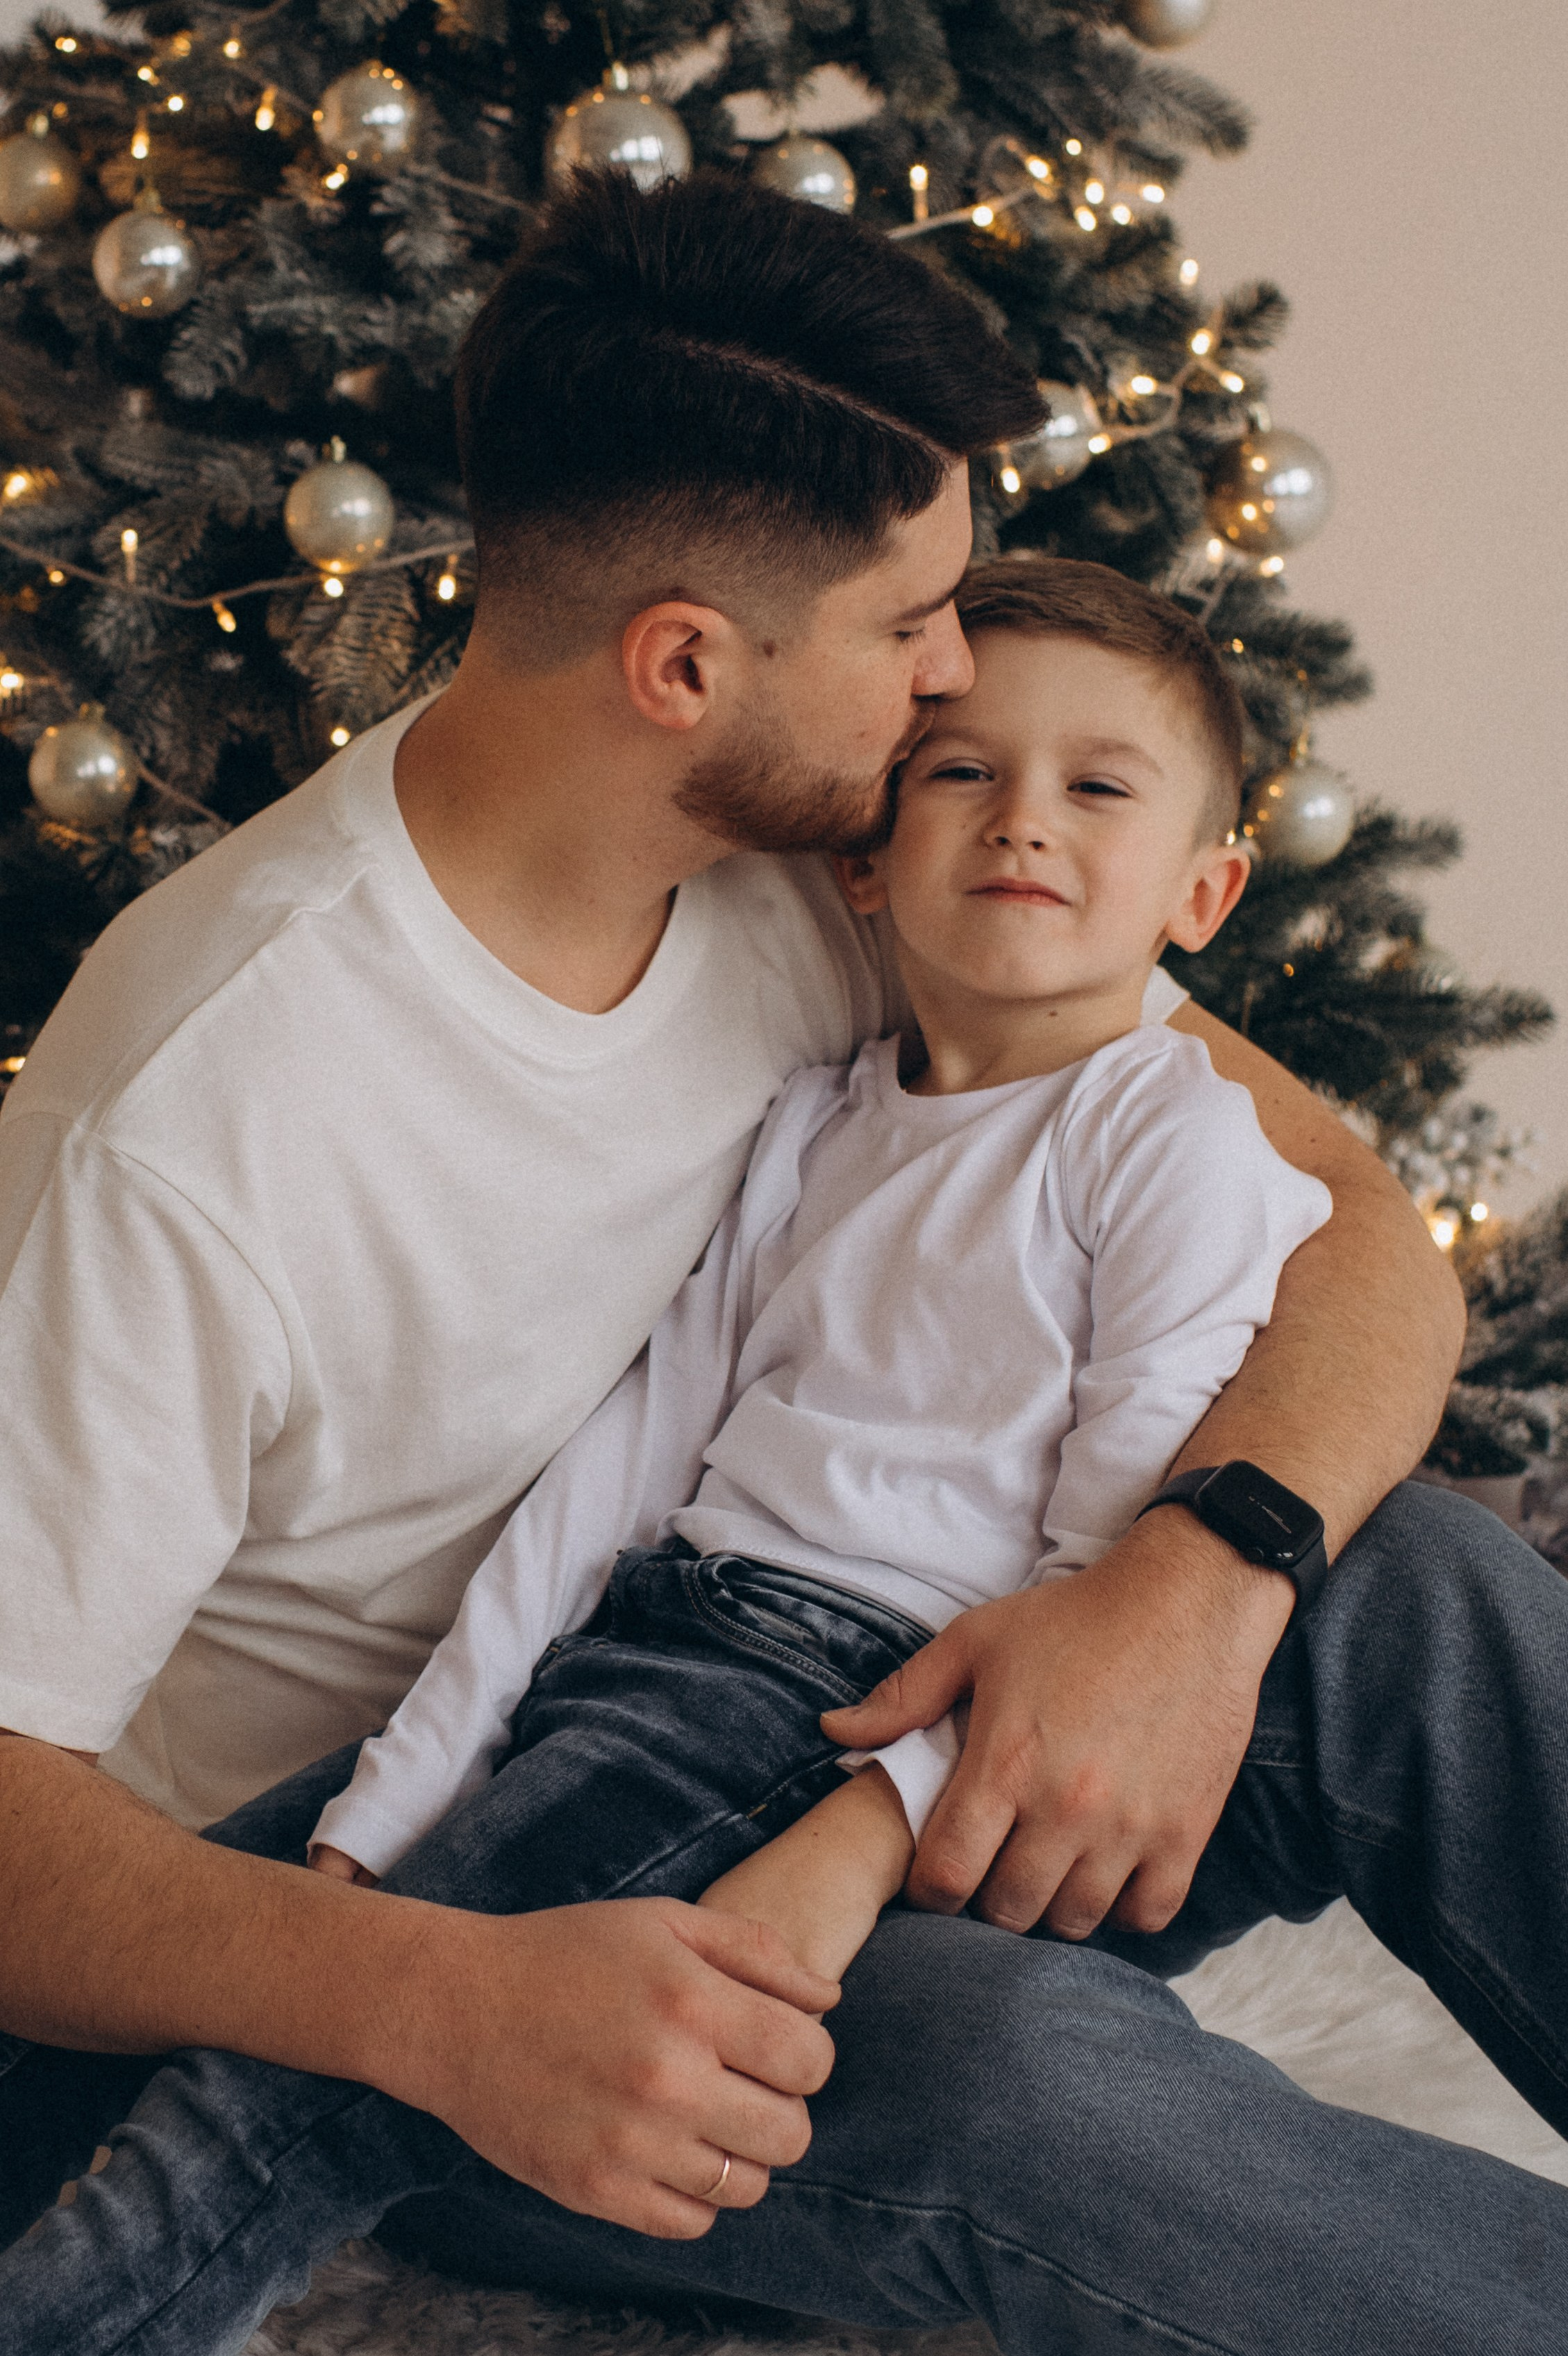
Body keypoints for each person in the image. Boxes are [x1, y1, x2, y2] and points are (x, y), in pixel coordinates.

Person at [6, 168, 1554, 2353]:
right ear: (684, 666)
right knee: (1018, 2080)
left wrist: (1191, 1584)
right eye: (912, 626)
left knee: (1410, 1588)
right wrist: (438, 1996)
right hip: (481, 1913)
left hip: (879, 1715)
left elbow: (1355, 1228)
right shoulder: (196, 1115)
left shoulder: (827, 864)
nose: (959, 671)